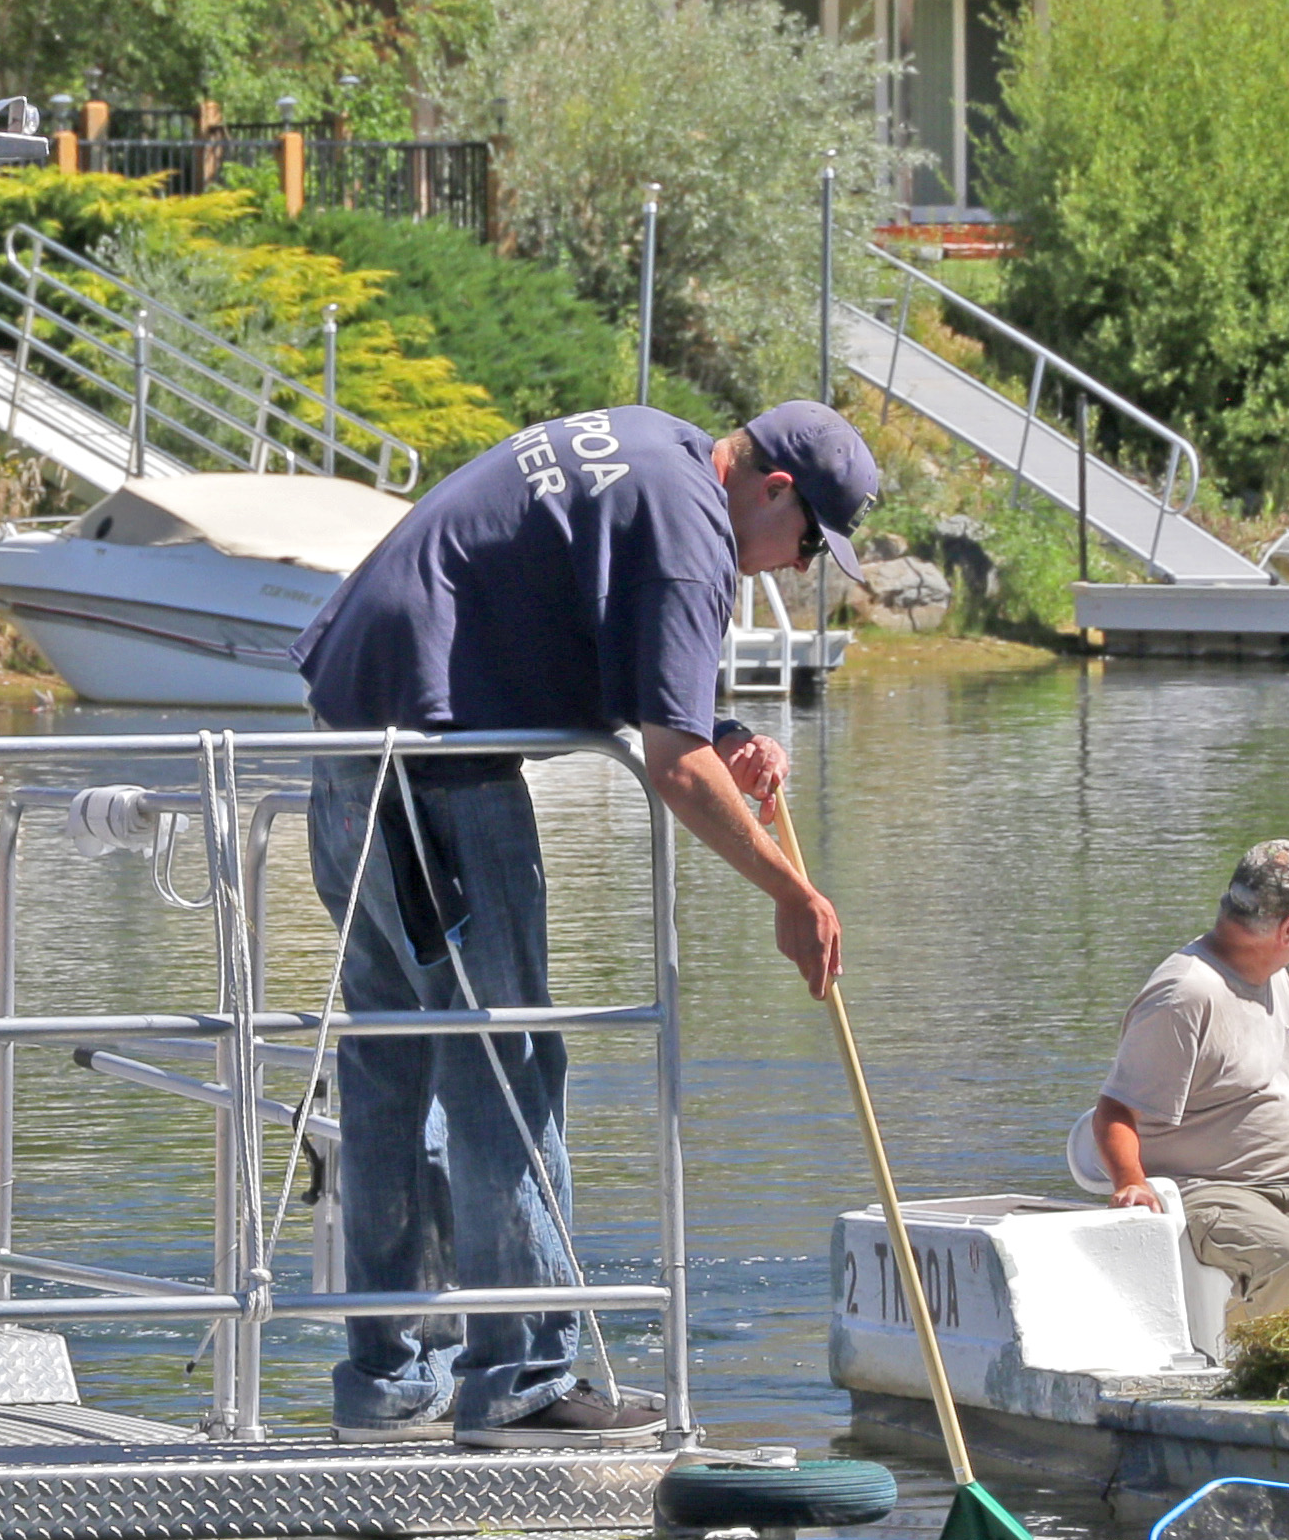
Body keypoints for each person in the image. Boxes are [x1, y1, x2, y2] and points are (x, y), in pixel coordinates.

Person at [289, 398, 869, 1443]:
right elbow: (676, 771)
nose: (795, 570)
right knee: (505, 1068)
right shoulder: (694, 529)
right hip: (439, 775)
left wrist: (721, 725)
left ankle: (389, 1382)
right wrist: (793, 890)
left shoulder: (654, 445)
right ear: (774, 489)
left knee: (393, 1066)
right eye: (811, 542)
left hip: (348, 744)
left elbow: (596, 656)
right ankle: (523, 1380)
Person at [1081, 840, 1289, 1307]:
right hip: (1214, 1190)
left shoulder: (1274, 975)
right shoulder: (1185, 994)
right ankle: (1264, 1370)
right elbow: (1114, 1110)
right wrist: (1130, 1183)